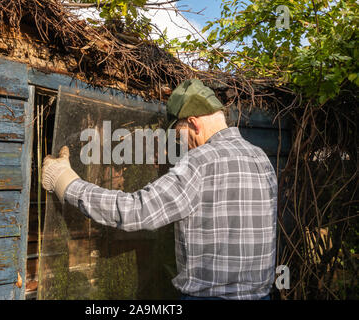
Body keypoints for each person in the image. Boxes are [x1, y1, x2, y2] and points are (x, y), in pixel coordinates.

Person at [41, 79, 277, 300]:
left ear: (194, 123)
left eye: (178, 135)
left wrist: (66, 182)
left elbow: (136, 210)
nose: (181, 144)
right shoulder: (261, 159)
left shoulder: (199, 161)